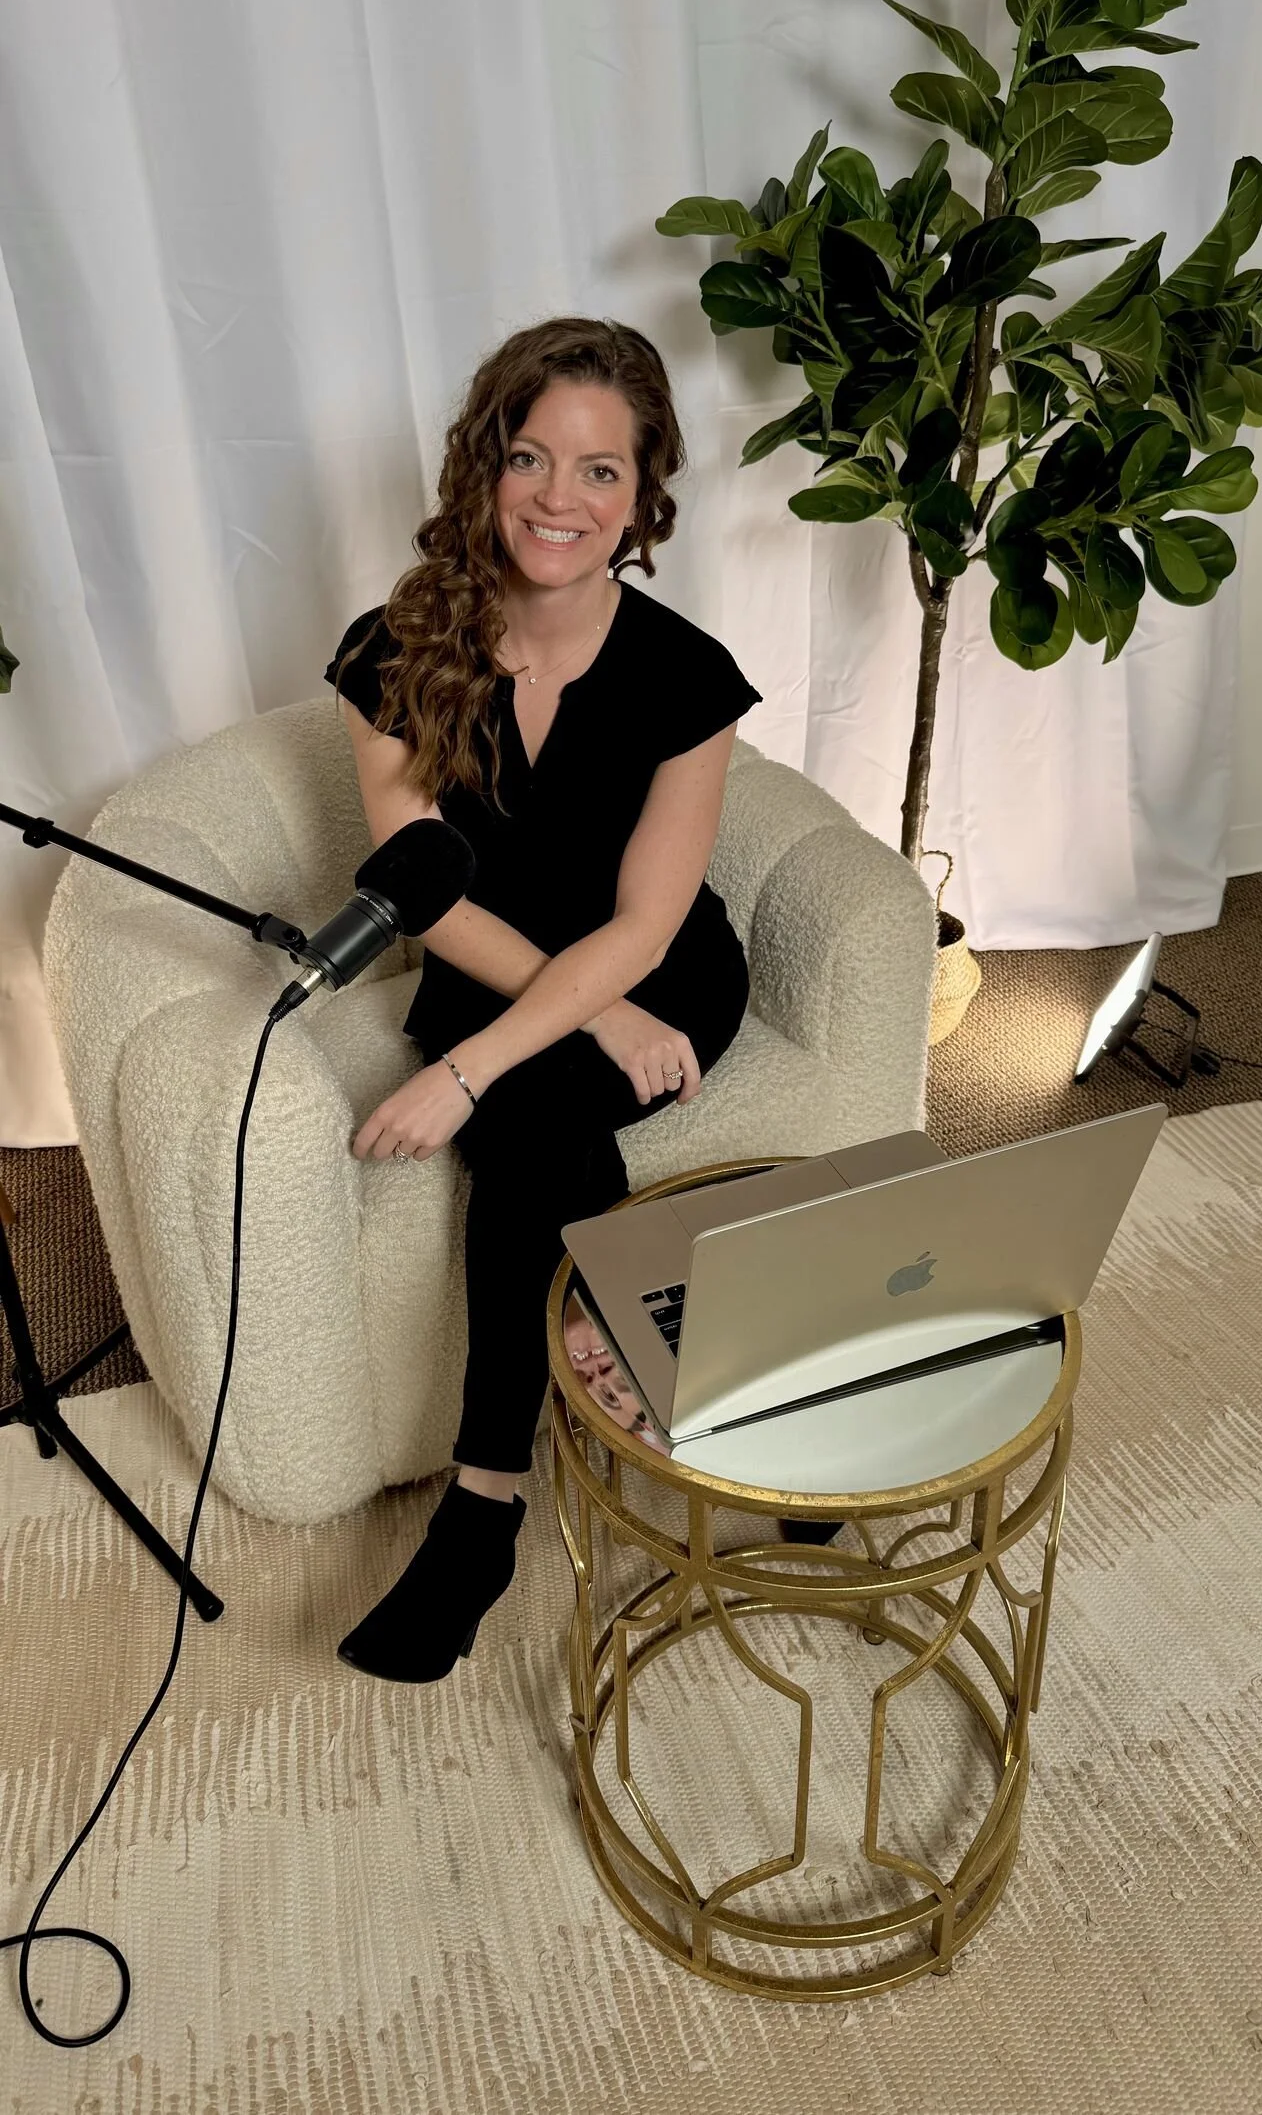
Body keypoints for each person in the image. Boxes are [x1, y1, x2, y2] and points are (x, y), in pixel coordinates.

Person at [322, 313, 766, 1686]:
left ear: (644, 499)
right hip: (492, 964)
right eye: (529, 458)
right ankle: (668, 1380)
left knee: (509, 1118)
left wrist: (467, 1070)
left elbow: (644, 925)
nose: (557, 500)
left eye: (598, 473)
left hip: (666, 971)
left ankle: (481, 1505)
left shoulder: (688, 677)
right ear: (483, 464)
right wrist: (571, 1021)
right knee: (542, 1121)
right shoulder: (392, 650)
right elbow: (427, 891)